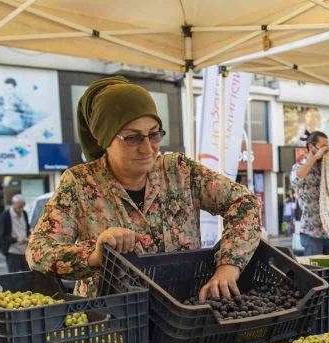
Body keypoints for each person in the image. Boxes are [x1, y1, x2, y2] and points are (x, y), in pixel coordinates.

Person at [27, 76, 261, 299]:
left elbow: (243, 202)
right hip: (114, 322)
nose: (148, 148)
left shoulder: (180, 171)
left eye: (154, 134)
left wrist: (229, 266)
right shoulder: (80, 184)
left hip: (182, 312)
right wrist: (94, 255)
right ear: (105, 138)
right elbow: (38, 250)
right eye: (133, 138)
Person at [291, 131, 329, 256]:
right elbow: (298, 178)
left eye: (327, 147)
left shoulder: (324, 168)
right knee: (313, 273)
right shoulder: (298, 167)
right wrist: (315, 157)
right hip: (311, 233)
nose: (326, 150)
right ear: (311, 147)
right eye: (323, 147)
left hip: (328, 232)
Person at [0, 194, 31, 273]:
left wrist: (29, 235)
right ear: (13, 204)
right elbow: (2, 236)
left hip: (25, 251)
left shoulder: (24, 213)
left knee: (28, 275)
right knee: (14, 277)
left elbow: (27, 229)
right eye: (19, 207)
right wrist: (16, 239)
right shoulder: (5, 216)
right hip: (12, 251)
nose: (21, 209)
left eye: (23, 206)